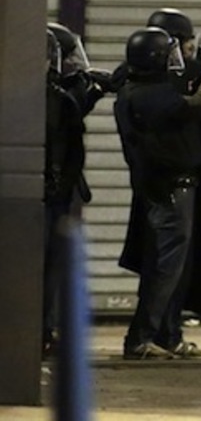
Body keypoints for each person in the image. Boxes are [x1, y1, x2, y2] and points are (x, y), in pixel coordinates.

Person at [114, 27, 201, 360]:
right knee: (166, 271)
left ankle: (159, 335)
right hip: (172, 191)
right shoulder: (152, 95)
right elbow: (195, 109)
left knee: (163, 267)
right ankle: (141, 338)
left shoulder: (133, 89)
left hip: (160, 189)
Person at [43, 22, 109, 358]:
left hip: (52, 195)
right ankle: (42, 332)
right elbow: (68, 123)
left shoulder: (53, 97)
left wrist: (94, 92)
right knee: (48, 268)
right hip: (50, 198)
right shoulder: (52, 99)